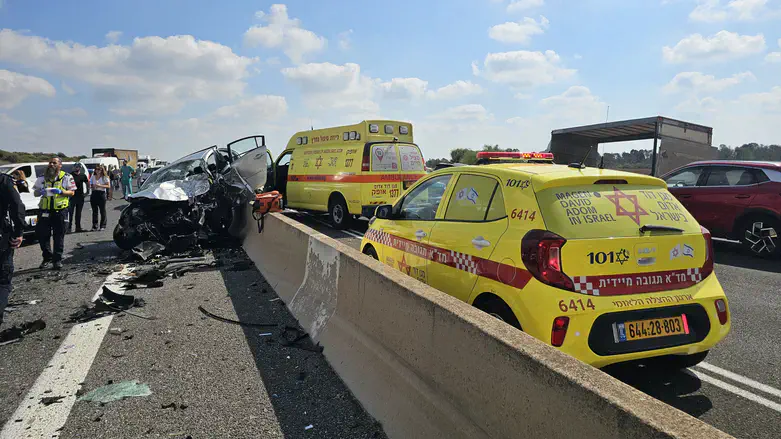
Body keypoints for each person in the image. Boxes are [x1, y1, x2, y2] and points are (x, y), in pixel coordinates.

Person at [32, 157, 75, 270]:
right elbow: (35, 193)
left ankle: (57, 260)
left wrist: (61, 192)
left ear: (60, 165)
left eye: (54, 163)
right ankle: (47, 258)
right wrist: (39, 192)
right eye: (50, 163)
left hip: (60, 211)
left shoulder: (66, 177)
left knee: (58, 237)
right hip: (44, 211)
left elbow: (72, 192)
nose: (51, 164)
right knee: (42, 235)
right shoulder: (42, 177)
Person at [0, 171, 26, 328]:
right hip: (2, 237)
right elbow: (17, 205)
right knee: (2, 281)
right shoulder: (3, 180)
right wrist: (19, 233)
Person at [67, 165, 89, 233]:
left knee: (78, 213)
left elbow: (87, 182)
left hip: (80, 196)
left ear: (80, 168)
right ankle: (69, 228)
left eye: (78, 167)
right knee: (70, 213)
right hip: (72, 197)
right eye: (76, 167)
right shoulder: (70, 175)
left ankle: (78, 228)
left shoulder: (83, 175)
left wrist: (87, 192)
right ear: (73, 167)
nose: (77, 168)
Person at [90, 165, 110, 231]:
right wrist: (92, 186)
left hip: (101, 194)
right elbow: (91, 184)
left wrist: (100, 185)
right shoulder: (93, 177)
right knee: (94, 211)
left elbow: (108, 186)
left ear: (102, 170)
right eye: (97, 169)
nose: (98, 171)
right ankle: (95, 225)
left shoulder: (105, 177)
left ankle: (103, 225)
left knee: (102, 210)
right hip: (94, 193)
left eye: (100, 169)